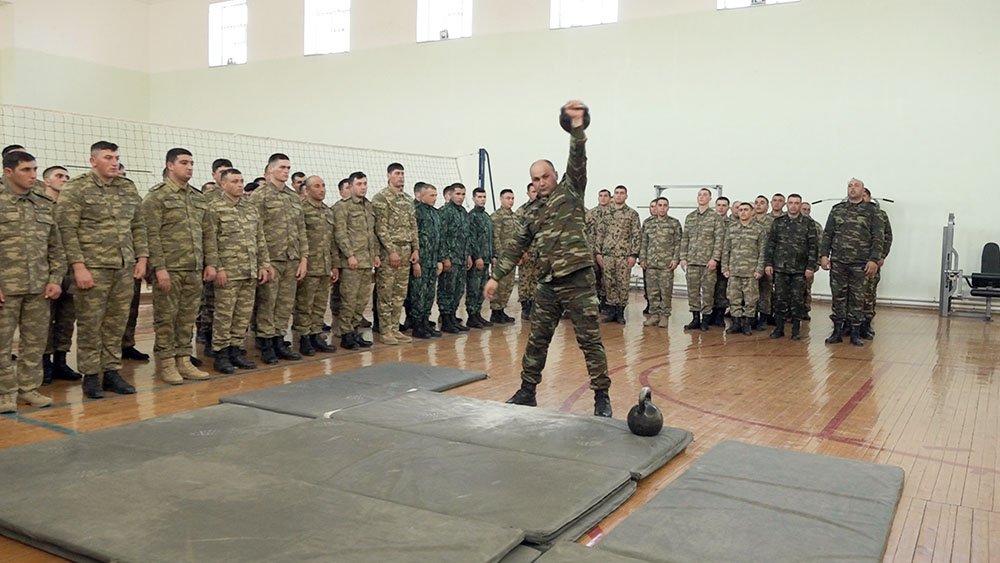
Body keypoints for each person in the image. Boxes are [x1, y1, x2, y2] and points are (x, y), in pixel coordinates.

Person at [485, 100, 612, 417]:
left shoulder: (571, 191)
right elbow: (515, 246)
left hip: (578, 280)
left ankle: (601, 398)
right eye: (535, 179)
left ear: (554, 175)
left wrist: (577, 128)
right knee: (536, 340)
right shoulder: (529, 212)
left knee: (590, 342)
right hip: (547, 285)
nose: (540, 182)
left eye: (545, 176)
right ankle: (527, 391)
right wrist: (496, 276)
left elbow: (578, 158)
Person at [55, 141, 148, 399]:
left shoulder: (127, 187)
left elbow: (138, 225)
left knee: (116, 324)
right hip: (92, 268)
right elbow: (66, 230)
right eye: (108, 157)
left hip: (123, 266)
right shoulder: (77, 188)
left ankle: (111, 371)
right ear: (93, 160)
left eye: (117, 157)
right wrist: (78, 266)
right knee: (90, 324)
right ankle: (91, 376)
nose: (114, 161)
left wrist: (141, 258)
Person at [141, 148, 218, 384]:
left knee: (187, 317)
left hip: (194, 269)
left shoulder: (198, 198)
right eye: (184, 163)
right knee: (166, 318)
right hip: (170, 269)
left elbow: (208, 233)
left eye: (192, 163)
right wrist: (159, 268)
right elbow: (150, 235)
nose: (190, 167)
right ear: (170, 165)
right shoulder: (156, 197)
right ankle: (166, 363)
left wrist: (211, 263)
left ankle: (183, 359)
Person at [0, 151, 65, 412]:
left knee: (35, 342)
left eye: (35, 169)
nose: (33, 175)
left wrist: (55, 279)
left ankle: (28, 388)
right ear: (8, 172)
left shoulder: (43, 203)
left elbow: (56, 247)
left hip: (38, 286)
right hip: (6, 287)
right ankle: (5, 392)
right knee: (2, 343)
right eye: (26, 170)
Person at [207, 168, 271, 373]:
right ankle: (221, 352)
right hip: (229, 272)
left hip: (249, 270)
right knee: (224, 315)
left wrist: (264, 264)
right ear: (223, 184)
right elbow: (211, 242)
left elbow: (259, 238)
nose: (240, 185)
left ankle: (236, 349)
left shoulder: (250, 207)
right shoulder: (214, 208)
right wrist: (219, 268)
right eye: (234, 181)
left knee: (242, 316)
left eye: (241, 181)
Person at [250, 153, 308, 363]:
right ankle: (266, 344)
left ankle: (278, 340)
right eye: (282, 167)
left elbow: (301, 229)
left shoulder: (293, 197)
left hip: (292, 258)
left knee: (284, 304)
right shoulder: (260, 195)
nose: (286, 171)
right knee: (268, 303)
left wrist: (304, 258)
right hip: (271, 259)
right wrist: (263, 262)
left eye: (288, 168)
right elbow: (255, 230)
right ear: (271, 169)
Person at [820, 178, 884, 346]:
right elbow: (828, 234)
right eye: (850, 186)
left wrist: (874, 260)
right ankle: (837, 331)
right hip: (839, 262)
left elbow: (879, 237)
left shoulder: (873, 211)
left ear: (863, 191)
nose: (852, 188)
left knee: (858, 298)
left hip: (861, 263)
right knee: (838, 297)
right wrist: (824, 255)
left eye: (856, 186)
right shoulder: (837, 210)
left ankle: (855, 333)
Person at [38, 166, 82, 384]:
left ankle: (61, 361)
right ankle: (44, 363)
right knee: (45, 319)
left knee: (66, 319)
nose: (64, 179)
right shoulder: (40, 206)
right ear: (46, 181)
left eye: (66, 176)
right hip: (47, 272)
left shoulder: (72, 206)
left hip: (71, 271)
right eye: (59, 176)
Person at [371, 163, 419, 345]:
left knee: (400, 293)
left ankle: (394, 328)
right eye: (397, 173)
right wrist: (391, 251)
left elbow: (413, 226)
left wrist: (415, 249)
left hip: (406, 250)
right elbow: (380, 228)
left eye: (402, 174)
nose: (401, 177)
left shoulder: (407, 199)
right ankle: (385, 331)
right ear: (388, 176)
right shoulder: (381, 198)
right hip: (389, 252)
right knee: (386, 292)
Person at [291, 175, 339, 355]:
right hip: (309, 266)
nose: (322, 189)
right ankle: (303, 338)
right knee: (305, 305)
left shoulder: (327, 211)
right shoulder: (301, 210)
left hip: (325, 266)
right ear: (308, 190)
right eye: (317, 186)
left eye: (324, 185)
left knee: (319, 305)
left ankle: (315, 335)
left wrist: (334, 264)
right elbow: (298, 239)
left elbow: (332, 241)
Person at [333, 171, 378, 349]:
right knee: (349, 300)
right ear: (351, 186)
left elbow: (371, 233)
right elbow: (340, 234)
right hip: (352, 262)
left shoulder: (368, 206)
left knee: (361, 301)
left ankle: (354, 330)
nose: (363, 187)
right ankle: (346, 334)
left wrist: (374, 254)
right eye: (359, 184)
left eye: (365, 183)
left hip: (366, 261)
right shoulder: (342, 207)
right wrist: (350, 255)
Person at [764, 194, 818, 340]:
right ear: (787, 205)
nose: (793, 206)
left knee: (797, 300)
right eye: (791, 203)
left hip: (800, 269)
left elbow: (813, 247)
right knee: (780, 299)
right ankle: (779, 328)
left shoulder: (808, 223)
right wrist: (768, 263)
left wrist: (811, 267)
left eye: (796, 203)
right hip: (781, 268)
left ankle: (795, 330)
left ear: (800, 205)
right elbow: (771, 244)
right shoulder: (778, 222)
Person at [679, 188, 725, 331]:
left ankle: (706, 319)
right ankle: (695, 318)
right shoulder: (690, 217)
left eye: (705, 195)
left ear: (710, 198)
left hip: (707, 262)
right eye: (699, 195)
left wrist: (715, 259)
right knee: (692, 291)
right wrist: (683, 257)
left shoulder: (715, 217)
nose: (702, 197)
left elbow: (719, 240)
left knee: (708, 292)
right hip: (692, 261)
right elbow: (685, 238)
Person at [594, 185, 640, 324]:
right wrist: (598, 253)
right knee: (609, 283)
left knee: (623, 283)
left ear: (626, 196)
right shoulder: (606, 213)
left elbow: (637, 235)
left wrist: (634, 255)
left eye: (622, 193)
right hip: (607, 254)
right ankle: (611, 311)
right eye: (617, 193)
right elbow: (600, 233)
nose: (619, 195)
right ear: (613, 196)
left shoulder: (632, 214)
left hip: (624, 255)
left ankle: (620, 312)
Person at [722, 202, 766, 336]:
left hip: (751, 271)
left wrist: (759, 269)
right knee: (734, 298)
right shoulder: (731, 228)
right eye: (740, 210)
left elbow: (762, 251)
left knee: (751, 299)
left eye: (746, 209)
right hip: (734, 270)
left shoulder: (759, 229)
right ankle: (736, 323)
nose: (743, 212)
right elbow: (726, 249)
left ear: (752, 212)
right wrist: (725, 267)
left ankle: (747, 324)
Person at [639, 197, 682, 328]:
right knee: (652, 291)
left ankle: (664, 316)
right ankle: (654, 315)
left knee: (666, 291)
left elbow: (678, 243)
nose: (662, 208)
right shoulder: (648, 223)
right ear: (655, 207)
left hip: (666, 264)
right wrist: (642, 258)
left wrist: (676, 259)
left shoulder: (674, 223)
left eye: (665, 205)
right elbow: (644, 242)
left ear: (668, 208)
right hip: (651, 263)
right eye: (660, 205)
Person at [410, 183, 444, 339]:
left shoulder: (435, 214)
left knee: (429, 294)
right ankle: (417, 325)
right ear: (421, 196)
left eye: (436, 195)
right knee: (418, 294)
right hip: (421, 261)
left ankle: (425, 322)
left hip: (432, 262)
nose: (434, 198)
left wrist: (439, 260)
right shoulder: (416, 212)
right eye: (431, 195)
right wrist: (415, 262)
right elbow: (413, 238)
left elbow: (439, 239)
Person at [437, 183, 470, 333]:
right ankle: (445, 319)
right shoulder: (445, 212)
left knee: (458, 290)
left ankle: (452, 316)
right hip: (450, 258)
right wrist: (445, 258)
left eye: (463, 194)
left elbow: (466, 236)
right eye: (458, 194)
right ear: (450, 195)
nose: (461, 197)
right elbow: (441, 236)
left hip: (461, 258)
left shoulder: (463, 212)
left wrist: (468, 255)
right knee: (446, 289)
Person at [860, 188, 892, 340]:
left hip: (871, 261)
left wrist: (881, 256)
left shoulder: (880, 214)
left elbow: (886, 237)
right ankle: (848, 324)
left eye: (865, 196)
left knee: (868, 293)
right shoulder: (848, 212)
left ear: (869, 197)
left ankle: (866, 324)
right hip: (851, 261)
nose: (862, 198)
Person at [465, 187, 494, 328]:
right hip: (478, 260)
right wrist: (477, 257)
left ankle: (477, 314)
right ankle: (471, 315)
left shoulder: (486, 217)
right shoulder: (472, 216)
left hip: (486, 258)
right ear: (473, 199)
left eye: (484, 197)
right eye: (479, 197)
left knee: (482, 288)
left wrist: (492, 255)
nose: (482, 199)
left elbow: (490, 239)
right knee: (473, 288)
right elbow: (471, 239)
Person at [489, 188, 518, 323]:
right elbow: (495, 237)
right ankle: (495, 311)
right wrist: (498, 255)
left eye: (512, 198)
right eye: (508, 198)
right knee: (500, 284)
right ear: (501, 199)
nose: (510, 201)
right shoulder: (497, 216)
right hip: (502, 257)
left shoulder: (515, 216)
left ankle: (502, 310)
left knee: (508, 284)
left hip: (512, 256)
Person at [327, 178, 352, 337]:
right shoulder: (336, 209)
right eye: (347, 188)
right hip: (340, 257)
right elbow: (335, 236)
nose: (350, 190)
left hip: (356, 259)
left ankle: (350, 325)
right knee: (338, 292)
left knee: (352, 295)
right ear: (341, 191)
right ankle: (337, 321)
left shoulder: (361, 208)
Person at [516, 182, 539, 320]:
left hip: (541, 252)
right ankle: (526, 307)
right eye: (532, 191)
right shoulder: (522, 211)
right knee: (525, 280)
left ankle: (535, 306)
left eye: (537, 191)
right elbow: (518, 234)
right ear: (528, 193)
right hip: (527, 252)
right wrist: (521, 251)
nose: (535, 193)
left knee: (538, 280)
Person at [586, 189, 611, 314]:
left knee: (607, 278)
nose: (603, 198)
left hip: (607, 251)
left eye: (606, 196)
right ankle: (594, 302)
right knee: (593, 276)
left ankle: (606, 302)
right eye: (600, 196)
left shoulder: (613, 213)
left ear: (610, 198)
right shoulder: (591, 213)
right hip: (592, 250)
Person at [752, 194, 775, 330]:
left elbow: (774, 244)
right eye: (756, 202)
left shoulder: (773, 222)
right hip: (750, 262)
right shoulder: (749, 220)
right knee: (751, 292)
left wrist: (770, 263)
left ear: (767, 206)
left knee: (765, 291)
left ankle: (764, 318)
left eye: (762, 203)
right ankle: (752, 317)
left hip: (766, 261)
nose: (759, 205)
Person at [709, 196, 732, 326]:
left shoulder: (732, 224)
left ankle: (719, 315)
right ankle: (709, 314)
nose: (721, 208)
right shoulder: (709, 222)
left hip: (725, 261)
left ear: (728, 208)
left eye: (724, 205)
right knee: (709, 289)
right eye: (719, 205)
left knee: (722, 289)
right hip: (710, 259)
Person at [800, 201, 824, 320]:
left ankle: (805, 309)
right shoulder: (792, 223)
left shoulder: (815, 226)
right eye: (803, 209)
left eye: (807, 209)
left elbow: (820, 244)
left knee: (806, 288)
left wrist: (818, 262)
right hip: (794, 263)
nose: (805, 211)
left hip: (809, 263)